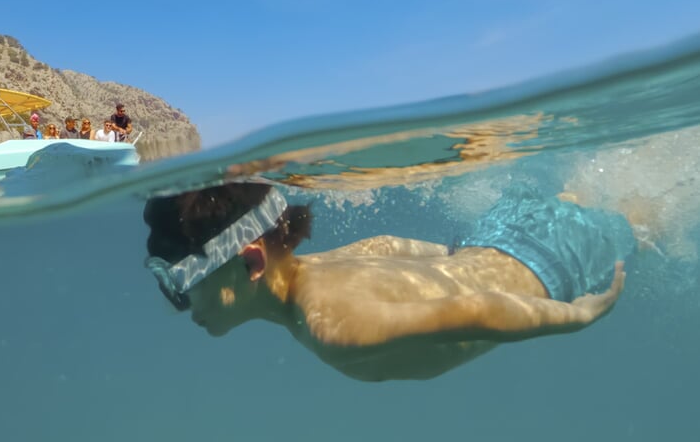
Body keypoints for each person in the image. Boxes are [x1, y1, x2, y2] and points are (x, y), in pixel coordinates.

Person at [144, 181, 637, 383]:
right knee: (595, 192)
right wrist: (457, 257)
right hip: (499, 233)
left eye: (181, 285)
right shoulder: (322, 268)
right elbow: (384, 245)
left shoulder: (332, 325)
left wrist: (579, 316)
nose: (180, 304)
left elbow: (478, 311)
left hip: (553, 264)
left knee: (646, 217)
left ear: (252, 263)